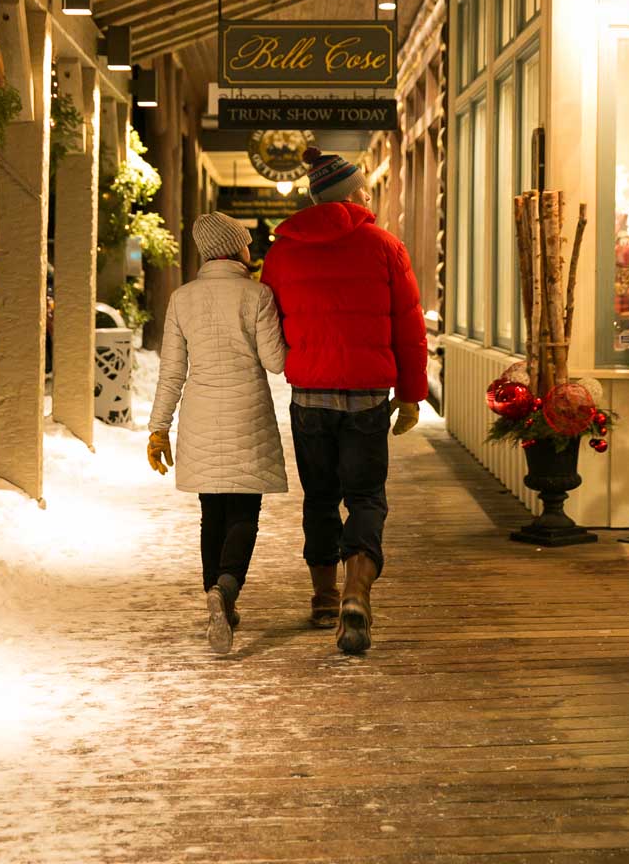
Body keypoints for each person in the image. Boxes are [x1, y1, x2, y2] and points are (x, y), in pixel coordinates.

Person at [261, 146, 427, 655]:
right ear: (352, 194)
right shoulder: (385, 246)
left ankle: (324, 597)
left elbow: (271, 320)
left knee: (319, 497)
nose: (370, 196)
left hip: (310, 396)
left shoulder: (282, 253)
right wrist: (411, 395)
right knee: (366, 497)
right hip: (367, 397)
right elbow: (409, 328)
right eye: (364, 189)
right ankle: (357, 590)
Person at [147, 212, 288, 654]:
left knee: (212, 514)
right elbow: (276, 362)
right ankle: (225, 589)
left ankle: (217, 598)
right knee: (244, 512)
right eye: (245, 241)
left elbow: (172, 372)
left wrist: (158, 429)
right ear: (234, 248)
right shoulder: (258, 294)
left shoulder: (182, 299)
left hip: (201, 415)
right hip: (248, 413)